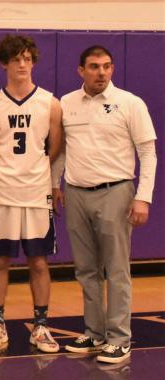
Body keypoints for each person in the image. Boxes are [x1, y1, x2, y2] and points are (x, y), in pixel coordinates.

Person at [56, 45, 157, 364]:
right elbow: (61, 150)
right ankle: (95, 333)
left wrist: (143, 196)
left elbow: (148, 154)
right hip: (75, 192)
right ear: (80, 70)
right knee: (86, 269)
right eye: (94, 66)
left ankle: (119, 337)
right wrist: (53, 185)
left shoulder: (130, 103)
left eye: (107, 66)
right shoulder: (67, 103)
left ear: (112, 69)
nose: (101, 72)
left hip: (116, 191)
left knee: (116, 268)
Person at [0, 34, 63, 353]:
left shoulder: (50, 102)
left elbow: (56, 147)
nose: (22, 64)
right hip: (0, 192)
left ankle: (41, 325)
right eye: (16, 58)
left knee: (39, 262)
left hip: (36, 193)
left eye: (28, 58)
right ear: (4, 62)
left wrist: (47, 177)